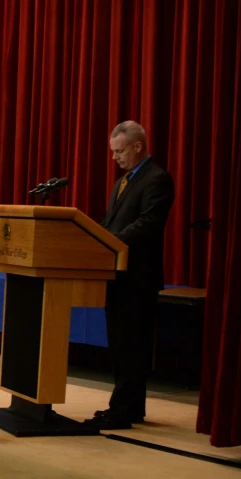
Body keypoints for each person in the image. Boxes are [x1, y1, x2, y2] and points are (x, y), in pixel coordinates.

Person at [84, 120, 175, 429]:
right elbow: (112, 221)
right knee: (120, 344)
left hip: (139, 277)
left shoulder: (157, 179)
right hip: (118, 275)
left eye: (120, 151)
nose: (115, 158)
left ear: (138, 146)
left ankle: (123, 410)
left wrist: (112, 240)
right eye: (112, 153)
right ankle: (128, 407)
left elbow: (149, 222)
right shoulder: (122, 181)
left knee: (132, 345)